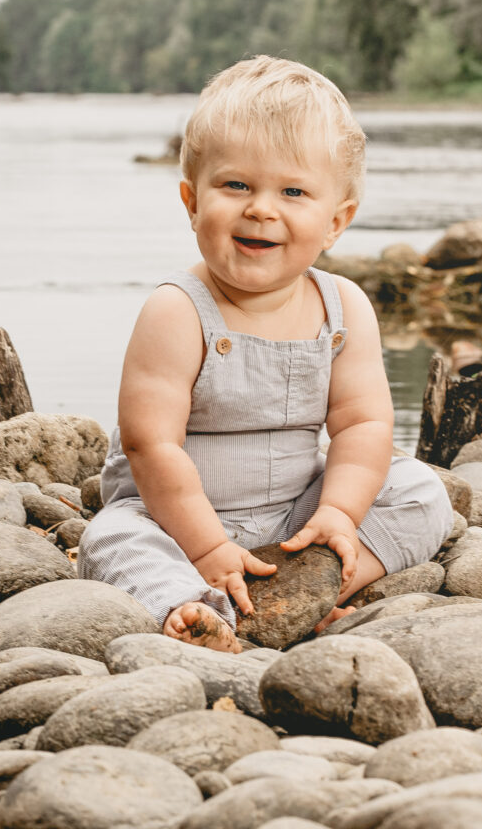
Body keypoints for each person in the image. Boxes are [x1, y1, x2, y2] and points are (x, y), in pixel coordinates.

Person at [78, 56, 453, 653]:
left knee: (420, 491)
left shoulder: (344, 306)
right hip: (172, 518)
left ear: (336, 221)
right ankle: (192, 606)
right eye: (236, 185)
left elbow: (363, 423)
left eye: (293, 191)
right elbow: (151, 445)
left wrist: (339, 512)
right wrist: (205, 547)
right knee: (112, 540)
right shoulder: (178, 311)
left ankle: (317, 583)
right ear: (191, 201)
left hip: (295, 514)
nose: (261, 208)